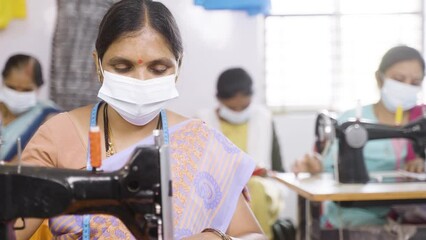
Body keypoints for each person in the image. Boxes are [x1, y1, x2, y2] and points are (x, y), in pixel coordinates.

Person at [14, 0, 266, 239]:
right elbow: (13, 227)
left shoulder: (202, 142)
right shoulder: (59, 135)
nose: (141, 80)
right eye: (122, 67)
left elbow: (253, 235)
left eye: (158, 69)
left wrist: (217, 237)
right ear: (97, 65)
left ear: (178, 66)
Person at [292, 45, 425, 229]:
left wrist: (421, 162)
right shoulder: (350, 120)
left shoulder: (422, 120)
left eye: (415, 82)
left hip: (414, 215)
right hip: (356, 215)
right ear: (379, 79)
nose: (406, 87)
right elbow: (329, 168)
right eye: (399, 79)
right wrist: (315, 166)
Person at [196, 67, 286, 239]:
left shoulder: (264, 119)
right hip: (218, 185)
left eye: (243, 107)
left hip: (260, 185)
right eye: (232, 107)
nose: (238, 112)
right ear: (219, 100)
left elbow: (278, 167)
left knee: (255, 189)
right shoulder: (203, 122)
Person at [1, 54, 61, 163]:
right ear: (3, 81)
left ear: (38, 87)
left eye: (26, 90)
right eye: (11, 87)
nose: (18, 94)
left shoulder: (48, 116)